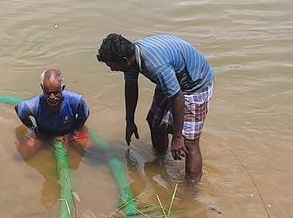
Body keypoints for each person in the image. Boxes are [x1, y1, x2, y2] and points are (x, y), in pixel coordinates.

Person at [96, 33, 213, 182]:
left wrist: (177, 137)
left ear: (124, 61)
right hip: (174, 76)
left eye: (111, 65)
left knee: (189, 143)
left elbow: (177, 98)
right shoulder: (132, 59)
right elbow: (131, 87)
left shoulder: (155, 65)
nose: (111, 69)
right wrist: (129, 121)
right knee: (154, 122)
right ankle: (160, 161)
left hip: (195, 82)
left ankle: (190, 193)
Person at [14, 69, 91, 158]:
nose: (52, 97)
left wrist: (74, 131)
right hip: (44, 134)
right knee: (21, 155)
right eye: (48, 93)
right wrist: (34, 129)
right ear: (42, 88)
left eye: (56, 92)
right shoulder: (33, 105)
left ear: (62, 88)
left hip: (69, 131)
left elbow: (85, 114)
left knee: (89, 149)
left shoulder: (76, 101)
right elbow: (19, 110)